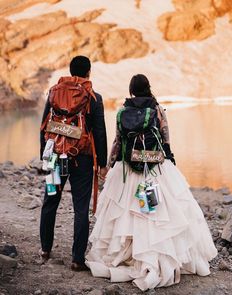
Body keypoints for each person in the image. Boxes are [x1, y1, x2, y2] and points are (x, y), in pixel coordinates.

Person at [86, 74, 217, 290]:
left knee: (126, 211)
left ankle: (129, 254)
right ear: (148, 88)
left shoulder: (122, 112)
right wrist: (170, 158)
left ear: (131, 91)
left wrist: (109, 165)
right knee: (158, 213)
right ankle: (159, 254)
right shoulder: (157, 110)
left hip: (128, 168)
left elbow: (118, 143)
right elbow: (165, 139)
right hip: (154, 166)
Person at [39, 56, 107, 271]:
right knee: (80, 208)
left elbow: (44, 125)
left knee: (51, 200)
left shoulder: (54, 91)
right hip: (82, 157)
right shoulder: (93, 97)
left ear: (70, 70)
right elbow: (100, 132)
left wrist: (44, 154)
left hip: (55, 156)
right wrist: (102, 163)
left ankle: (45, 249)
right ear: (89, 72)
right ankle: (77, 259)